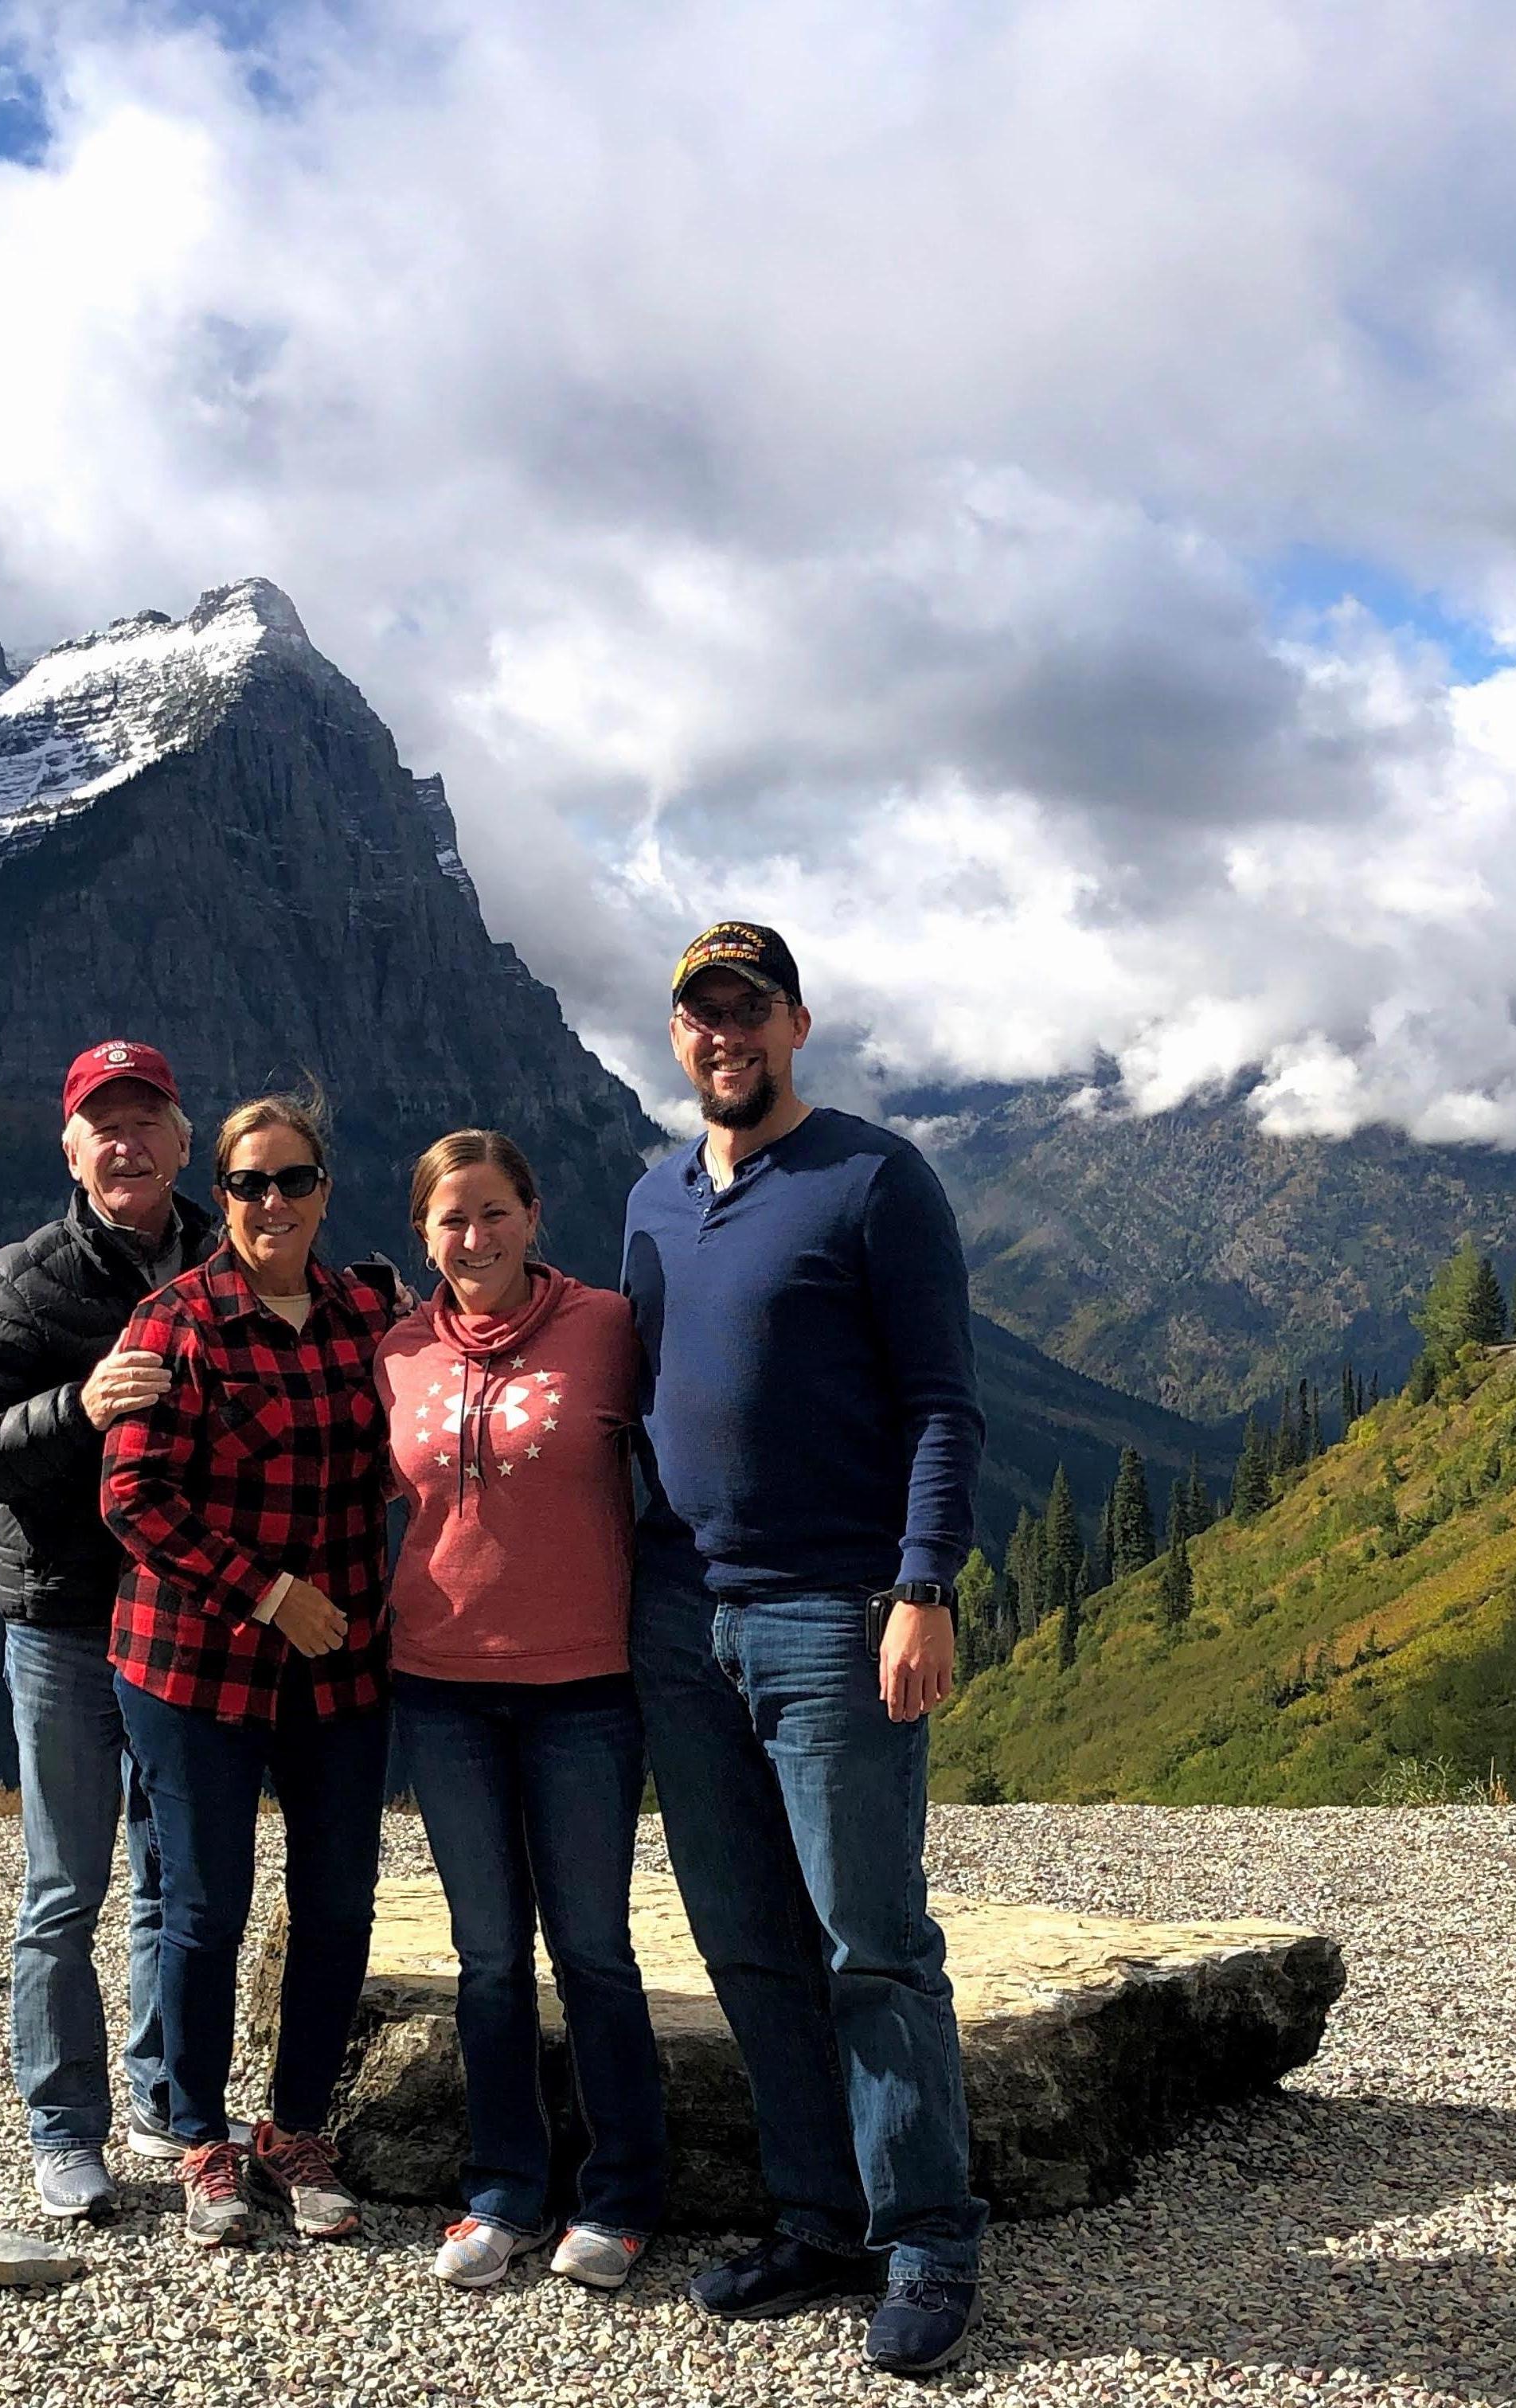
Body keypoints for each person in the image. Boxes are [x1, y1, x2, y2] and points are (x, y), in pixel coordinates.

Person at [622, 921, 989, 2379]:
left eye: (751, 1011)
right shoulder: (652, 1196)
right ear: (678, 1037)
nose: (729, 1038)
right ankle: (815, 2216)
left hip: (834, 1615)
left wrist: (923, 1586)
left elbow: (945, 1406)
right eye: (704, 1016)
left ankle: (929, 2238)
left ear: (797, 1023)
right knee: (747, 1943)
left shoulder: (875, 1178)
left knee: (871, 1942)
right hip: (678, 1619)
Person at [100, 1087, 401, 2249]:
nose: (271, 1202)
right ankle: (201, 2137)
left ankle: (298, 2128)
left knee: (337, 1902)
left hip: (341, 1663)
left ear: (325, 1189)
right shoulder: (173, 1321)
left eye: (293, 1180)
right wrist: (271, 1596)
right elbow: (132, 1502)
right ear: (217, 1193)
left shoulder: (368, 1307)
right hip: (194, 1665)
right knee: (206, 1907)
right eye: (246, 1183)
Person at [0, 1040, 213, 2222]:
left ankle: (159, 2093)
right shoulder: (21, 1282)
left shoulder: (226, 1253)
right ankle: (62, 2127)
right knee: (63, 1889)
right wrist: (77, 1408)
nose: (127, 1142)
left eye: (147, 1120)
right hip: (64, 1624)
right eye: (105, 1124)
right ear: (71, 1148)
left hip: (189, 1614)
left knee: (168, 1876)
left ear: (184, 1140)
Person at [378, 1130, 667, 2293]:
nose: (475, 1237)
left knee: (593, 1949)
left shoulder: (604, 1329)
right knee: (487, 1954)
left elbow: (685, 1456)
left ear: (534, 1216)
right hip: (440, 1687)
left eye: (495, 1212)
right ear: (423, 1234)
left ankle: (624, 2193)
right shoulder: (394, 1351)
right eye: (453, 1218)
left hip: (587, 1689)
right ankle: (502, 2190)